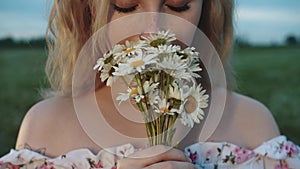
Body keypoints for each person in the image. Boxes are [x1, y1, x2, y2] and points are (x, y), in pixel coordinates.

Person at [0, 0, 299, 169]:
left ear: (207, 9)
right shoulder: (46, 129)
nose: (153, 30)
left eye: (178, 4)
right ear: (87, 11)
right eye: (126, 5)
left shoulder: (252, 126)